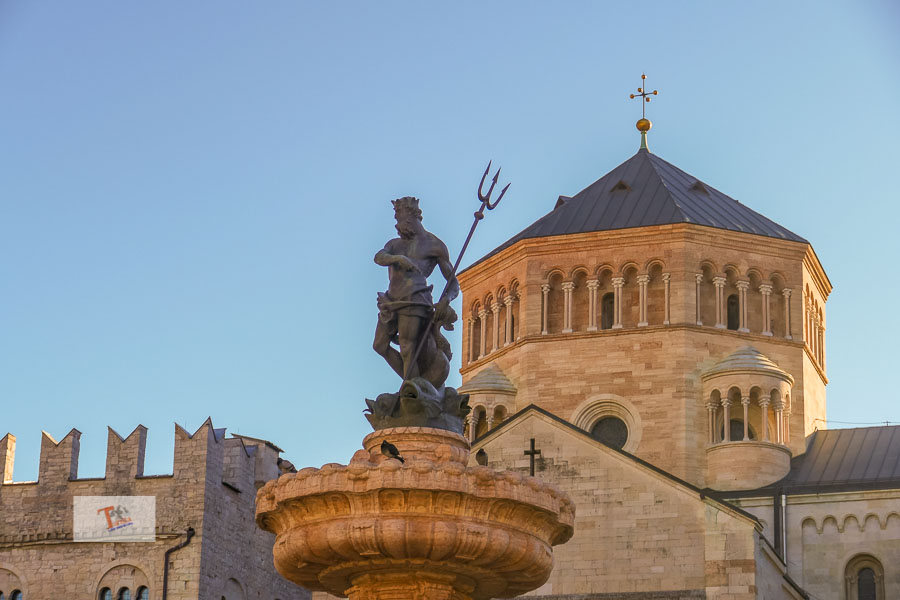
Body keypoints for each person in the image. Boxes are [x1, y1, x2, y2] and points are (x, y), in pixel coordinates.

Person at [373, 196, 458, 388]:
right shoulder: (395, 244)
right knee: (379, 345)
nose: (397, 226)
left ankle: (412, 389)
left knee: (406, 346)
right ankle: (415, 382)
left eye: (400, 220)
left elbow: (453, 282)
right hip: (391, 300)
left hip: (416, 299)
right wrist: (399, 259)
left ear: (411, 219)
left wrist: (446, 300)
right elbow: (379, 257)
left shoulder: (435, 245)